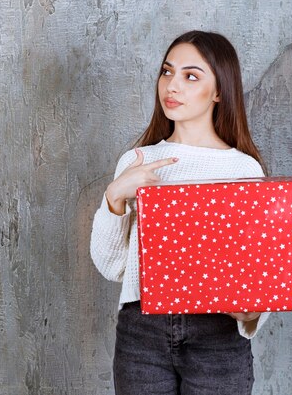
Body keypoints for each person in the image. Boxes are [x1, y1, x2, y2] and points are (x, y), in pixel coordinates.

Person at [90, 30, 270, 395]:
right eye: (167, 72)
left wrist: (250, 312)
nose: (173, 85)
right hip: (142, 331)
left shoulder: (244, 171)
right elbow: (112, 267)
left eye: (191, 76)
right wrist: (115, 197)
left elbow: (256, 275)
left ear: (220, 91)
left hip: (216, 335)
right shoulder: (137, 161)